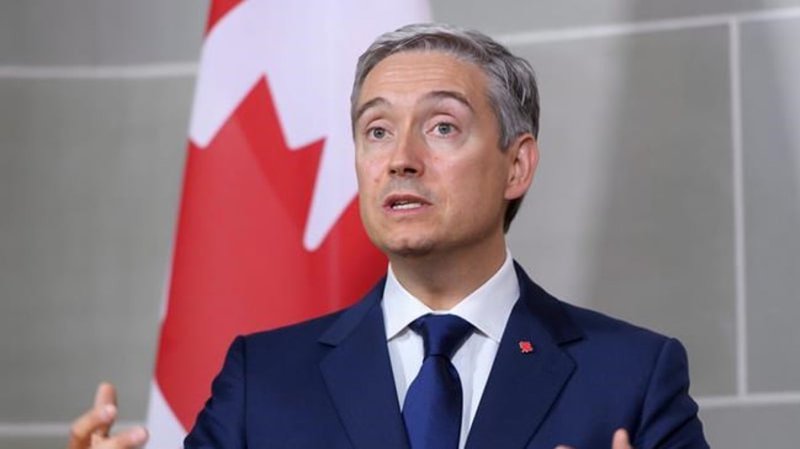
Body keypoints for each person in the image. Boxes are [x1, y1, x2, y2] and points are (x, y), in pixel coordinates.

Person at [68, 23, 709, 449]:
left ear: (517, 165)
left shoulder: (631, 375)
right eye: (377, 131)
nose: (400, 159)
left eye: (441, 127)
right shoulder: (261, 380)